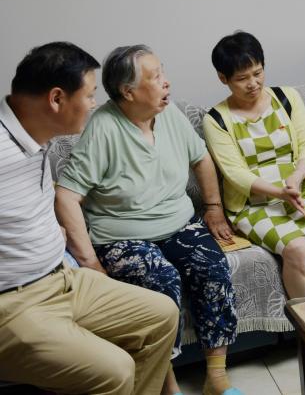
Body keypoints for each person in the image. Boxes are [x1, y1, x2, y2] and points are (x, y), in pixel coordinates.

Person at [55, 45, 243, 395]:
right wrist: (90, 262)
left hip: (179, 223)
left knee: (212, 267)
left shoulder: (169, 114)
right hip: (123, 237)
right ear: (128, 92)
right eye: (156, 77)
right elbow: (66, 195)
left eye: (162, 72)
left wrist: (214, 206)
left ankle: (216, 377)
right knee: (161, 281)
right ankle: (167, 384)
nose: (166, 82)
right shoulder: (103, 128)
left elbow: (201, 158)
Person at [0, 42, 178, 395]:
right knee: (115, 371)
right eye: (90, 94)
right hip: (13, 304)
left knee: (162, 315)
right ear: (56, 99)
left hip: (63, 279)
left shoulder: (36, 135)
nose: (96, 103)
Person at [203, 31, 305, 298]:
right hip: (254, 205)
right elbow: (235, 173)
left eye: (258, 73)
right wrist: (279, 192)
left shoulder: (286, 98)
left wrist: (296, 178)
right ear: (223, 78)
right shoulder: (216, 119)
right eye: (242, 78)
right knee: (298, 248)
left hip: (300, 192)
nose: (253, 83)